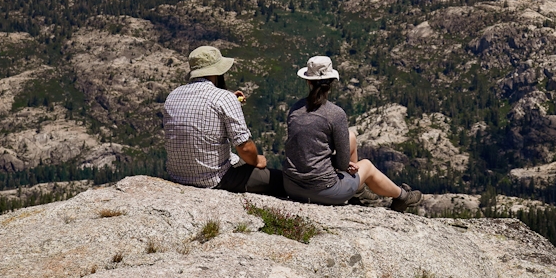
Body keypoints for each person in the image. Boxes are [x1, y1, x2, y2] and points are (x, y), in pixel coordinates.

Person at [282, 55, 423, 211]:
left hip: (291, 186)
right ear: (331, 83)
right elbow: (342, 164)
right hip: (323, 190)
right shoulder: (335, 113)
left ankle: (358, 191)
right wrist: (343, 165)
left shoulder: (295, 109)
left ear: (308, 81)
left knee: (351, 138)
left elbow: (301, 148)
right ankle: (402, 197)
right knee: (367, 166)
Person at [163, 45, 282, 196]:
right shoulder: (224, 98)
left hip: (178, 177)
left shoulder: (172, 96)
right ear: (217, 71)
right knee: (279, 179)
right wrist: (258, 161)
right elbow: (244, 147)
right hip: (214, 178)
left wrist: (230, 100)